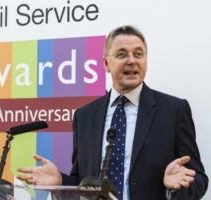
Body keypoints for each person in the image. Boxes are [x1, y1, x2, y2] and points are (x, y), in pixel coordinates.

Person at [16, 25, 208, 200]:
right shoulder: (84, 116)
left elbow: (199, 180)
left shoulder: (173, 110)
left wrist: (175, 188)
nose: (132, 61)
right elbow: (83, 181)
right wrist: (60, 182)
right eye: (122, 54)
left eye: (138, 54)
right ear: (106, 64)